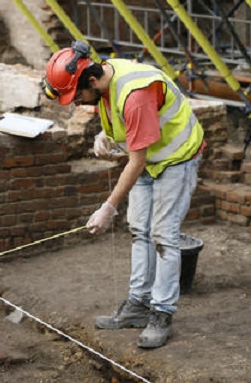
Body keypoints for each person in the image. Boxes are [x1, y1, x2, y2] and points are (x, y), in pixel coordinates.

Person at [42, 41, 205, 349]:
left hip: (176, 158)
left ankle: (162, 314)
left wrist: (108, 207)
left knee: (163, 235)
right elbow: (123, 123)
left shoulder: (136, 95)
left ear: (91, 81)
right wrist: (105, 133)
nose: (77, 104)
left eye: (77, 97)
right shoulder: (105, 81)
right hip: (150, 156)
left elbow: (137, 159)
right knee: (139, 230)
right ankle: (138, 305)